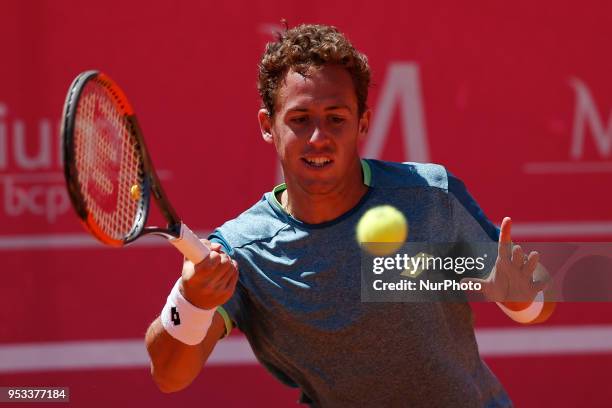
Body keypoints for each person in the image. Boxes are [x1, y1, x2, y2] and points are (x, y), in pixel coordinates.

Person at [145, 23, 551, 407]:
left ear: (363, 122)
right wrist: (192, 301)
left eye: (336, 119)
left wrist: (523, 297)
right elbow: (169, 375)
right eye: (300, 120)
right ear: (268, 126)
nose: (319, 138)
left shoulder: (431, 196)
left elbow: (540, 298)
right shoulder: (243, 252)